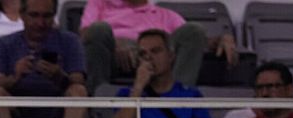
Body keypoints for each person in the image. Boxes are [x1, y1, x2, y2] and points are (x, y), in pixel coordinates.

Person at [0, 0, 88, 118]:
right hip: (17, 107)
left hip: (59, 106)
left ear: (54, 16)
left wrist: (60, 76)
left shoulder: (70, 41)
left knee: (78, 91)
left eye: (47, 16)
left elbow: (79, 78)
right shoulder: (3, 44)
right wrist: (15, 77)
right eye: (34, 15)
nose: (40, 23)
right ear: (22, 15)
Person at [79, 0, 228, 94]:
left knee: (194, 30)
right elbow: (85, 33)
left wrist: (222, 39)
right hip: (113, 56)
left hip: (156, 60)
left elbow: (194, 39)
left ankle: (177, 98)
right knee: (98, 29)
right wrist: (116, 42)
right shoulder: (100, 3)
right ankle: (99, 97)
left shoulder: (165, 15)